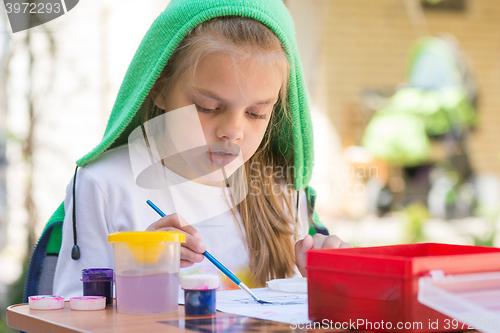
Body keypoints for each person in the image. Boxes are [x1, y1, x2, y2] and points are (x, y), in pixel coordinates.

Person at [52, 0, 351, 298]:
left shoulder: (281, 188)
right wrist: (140, 271)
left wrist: (328, 283)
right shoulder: (105, 185)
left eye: (256, 113)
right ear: (158, 87)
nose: (232, 131)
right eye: (207, 107)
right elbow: (67, 315)